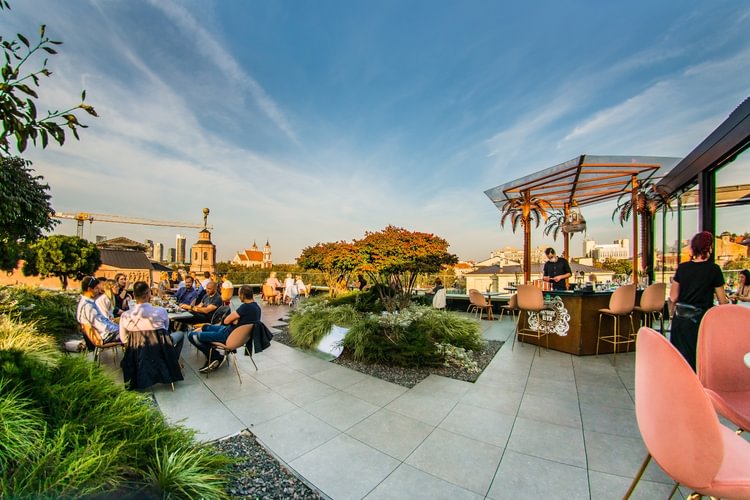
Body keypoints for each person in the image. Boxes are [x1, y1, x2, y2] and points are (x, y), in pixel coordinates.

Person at [669, 231, 729, 371]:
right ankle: (698, 390)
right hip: (700, 321)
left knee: (681, 361)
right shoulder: (713, 269)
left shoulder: (683, 268)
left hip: (681, 320)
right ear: (709, 248)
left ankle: (682, 389)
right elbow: (723, 301)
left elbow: (673, 296)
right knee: (698, 361)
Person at [188, 285, 261, 372]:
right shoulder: (257, 307)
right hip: (231, 333)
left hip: (227, 336)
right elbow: (234, 321)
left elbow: (226, 321)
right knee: (205, 327)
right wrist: (235, 319)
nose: (238, 296)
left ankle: (216, 357)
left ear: (242, 295)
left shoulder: (245, 307)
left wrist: (234, 318)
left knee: (192, 335)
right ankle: (211, 350)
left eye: (238, 294)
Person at [119, 281, 185, 357]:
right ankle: (172, 360)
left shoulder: (125, 316)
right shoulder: (161, 311)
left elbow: (123, 339)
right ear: (149, 294)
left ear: (133, 295)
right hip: (159, 345)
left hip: (137, 350)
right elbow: (165, 330)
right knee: (180, 334)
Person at [76, 276, 120, 344]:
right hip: (105, 336)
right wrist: (119, 328)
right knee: (134, 334)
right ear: (89, 289)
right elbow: (103, 326)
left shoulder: (87, 302)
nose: (98, 291)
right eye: (96, 288)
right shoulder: (88, 306)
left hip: (106, 332)